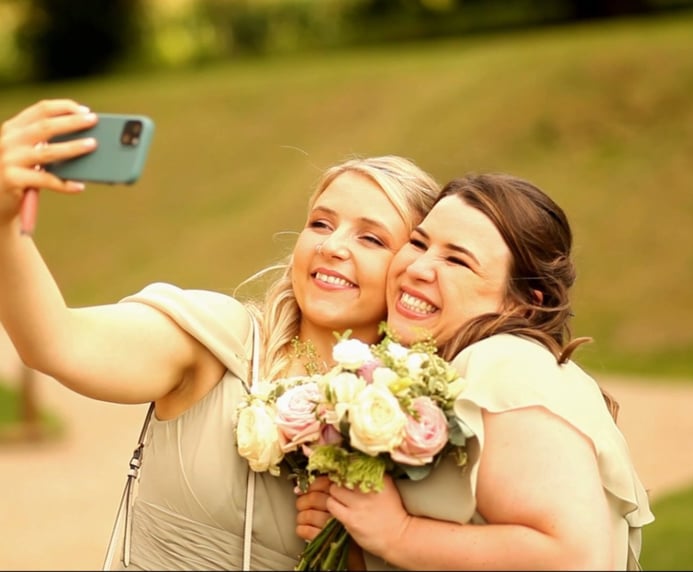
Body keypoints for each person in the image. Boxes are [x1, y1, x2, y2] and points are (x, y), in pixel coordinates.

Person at [0, 99, 440, 570]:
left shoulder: (428, 417)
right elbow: (58, 343)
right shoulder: (221, 338)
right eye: (320, 223)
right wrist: (3, 221)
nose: (332, 246)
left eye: (370, 238)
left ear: (414, 270)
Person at [295, 172, 655, 570]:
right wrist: (355, 541)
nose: (418, 267)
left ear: (523, 305)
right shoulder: (469, 369)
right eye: (419, 243)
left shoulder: (507, 363)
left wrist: (398, 534)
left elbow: (576, 558)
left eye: (456, 260)